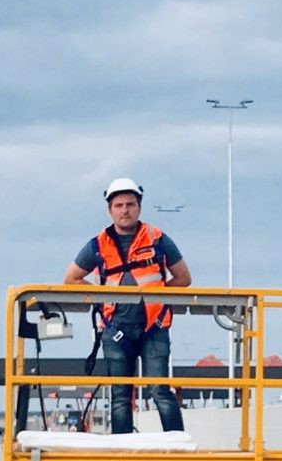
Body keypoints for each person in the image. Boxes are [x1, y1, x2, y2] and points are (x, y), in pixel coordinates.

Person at [63, 180, 192, 434]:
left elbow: (183, 278)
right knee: (120, 395)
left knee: (160, 390)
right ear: (110, 210)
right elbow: (71, 279)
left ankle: (178, 445)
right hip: (116, 330)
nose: (125, 210)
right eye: (119, 205)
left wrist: (158, 297)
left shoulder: (157, 239)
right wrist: (102, 297)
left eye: (130, 204)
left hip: (154, 328)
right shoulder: (98, 244)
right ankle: (121, 448)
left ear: (139, 207)